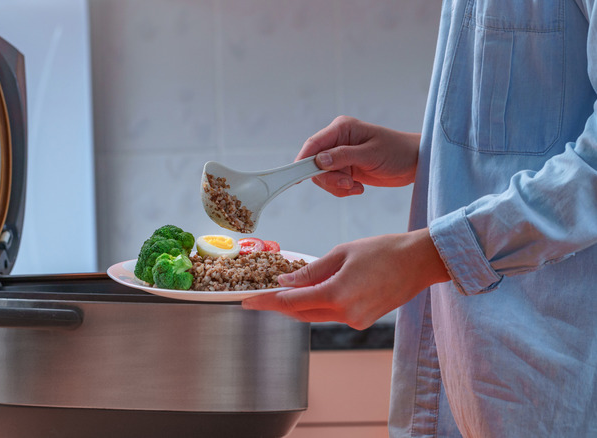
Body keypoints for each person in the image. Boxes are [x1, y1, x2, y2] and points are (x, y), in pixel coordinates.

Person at [242, 1, 597, 436]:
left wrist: (426, 257)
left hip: (557, 386)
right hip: (472, 381)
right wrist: (426, 156)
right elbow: (538, 127)